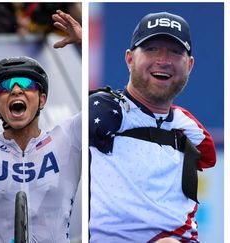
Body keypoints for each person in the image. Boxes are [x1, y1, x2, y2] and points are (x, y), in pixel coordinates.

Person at [0, 9, 82, 242]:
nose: (16, 89)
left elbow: (99, 99)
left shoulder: (68, 138)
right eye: (5, 87)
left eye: (27, 84)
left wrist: (83, 41)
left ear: (43, 99)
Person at [89, 12, 216, 242]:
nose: (164, 60)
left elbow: (208, 157)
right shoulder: (103, 113)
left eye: (176, 52)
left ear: (190, 65)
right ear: (129, 59)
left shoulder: (190, 128)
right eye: (152, 49)